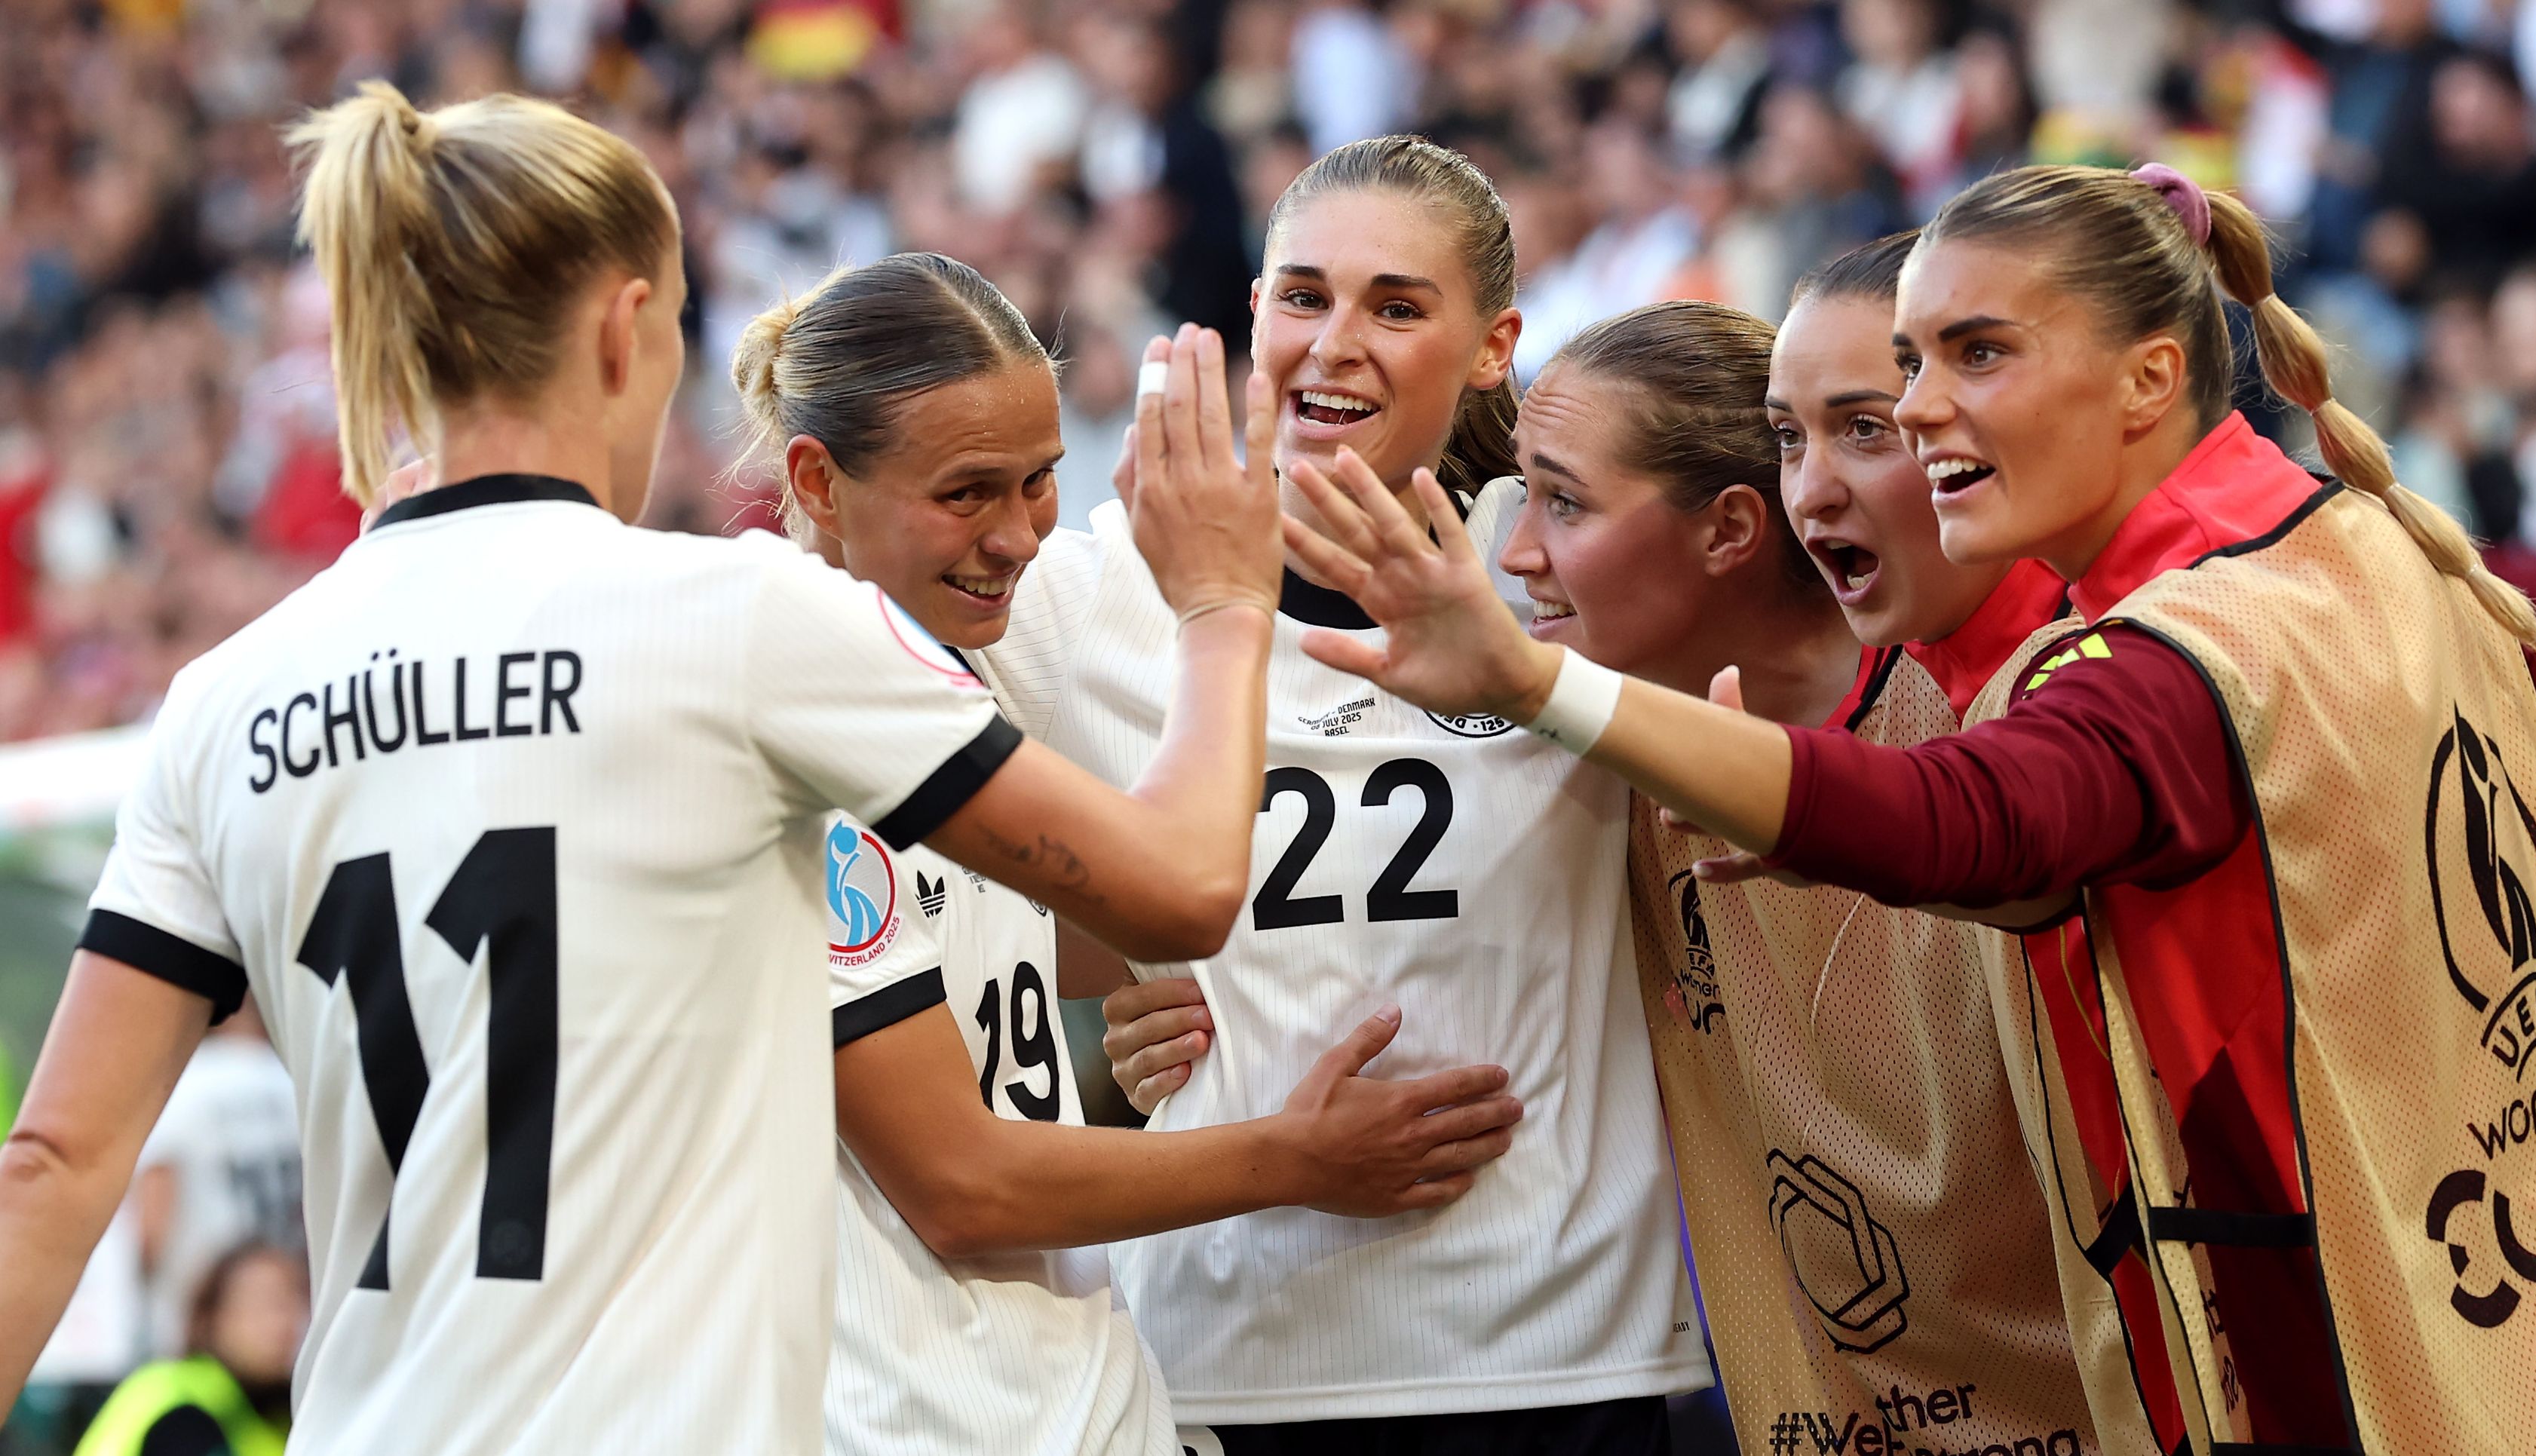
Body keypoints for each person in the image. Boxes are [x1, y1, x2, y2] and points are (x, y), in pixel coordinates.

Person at [0, 81, 1293, 1455]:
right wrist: (1221, 605)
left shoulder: (223, 702)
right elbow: (1183, 890)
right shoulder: (735, 623)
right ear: (628, 326)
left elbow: (53, 1166)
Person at [1283, 161, 2536, 1453]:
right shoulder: (2361, 546)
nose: (1922, 416)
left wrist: (1527, 680)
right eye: (1906, 372)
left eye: (1973, 358)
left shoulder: (2167, 659)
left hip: (2370, 1366)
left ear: (2147, 377)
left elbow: (1967, 826)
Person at [1114, 264, 2132, 1456]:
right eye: (1798, 437)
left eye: (1564, 506)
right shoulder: (1579, 768)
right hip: (1785, 1405)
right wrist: (1191, 1029)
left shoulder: (2005, 707)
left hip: (2097, 1398)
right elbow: (1327, 900)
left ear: (1727, 533)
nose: (1518, 555)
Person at [979, 136, 1709, 1453]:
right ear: (1250, 310)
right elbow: (893, 819)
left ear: (1494, 346)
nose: (1336, 344)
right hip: (1221, 1349)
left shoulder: (1559, 573)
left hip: (1549, 1352)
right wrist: (1096, 972)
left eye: (1397, 306)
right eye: (1303, 296)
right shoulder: (1093, 593)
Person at [729, 253, 1522, 1456]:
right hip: (896, 1415)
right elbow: (961, 1184)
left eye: (1040, 480)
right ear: (815, 482)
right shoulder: (782, 709)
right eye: (966, 493)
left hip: (1077, 1389)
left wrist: (1173, 1012)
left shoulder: (949, 676)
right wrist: (1293, 1155)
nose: (1016, 536)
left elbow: (1040, 947)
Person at [130, 1005, 301, 1360]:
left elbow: (151, 1228)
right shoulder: (295, 1084)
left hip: (201, 1317)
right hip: (293, 1312)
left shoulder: (180, 1086)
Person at [73, 1242, 304, 1456]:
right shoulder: (183, 1408)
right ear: (212, 1316)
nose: (283, 1323)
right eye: (264, 1304)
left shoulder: (278, 1412)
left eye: (294, 1302)